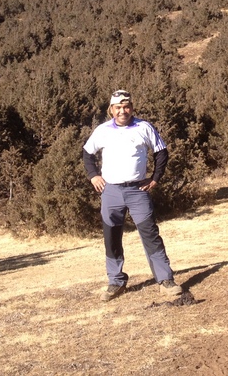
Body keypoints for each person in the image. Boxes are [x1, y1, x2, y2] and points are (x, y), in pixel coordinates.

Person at [83, 89, 182, 301]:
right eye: (118, 107)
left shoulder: (144, 127)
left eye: (126, 107)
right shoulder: (102, 130)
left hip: (138, 191)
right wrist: (93, 176)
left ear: (132, 108)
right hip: (111, 191)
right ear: (111, 110)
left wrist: (154, 178)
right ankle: (116, 281)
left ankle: (165, 279)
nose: (122, 111)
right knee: (111, 237)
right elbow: (87, 153)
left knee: (150, 234)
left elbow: (161, 152)